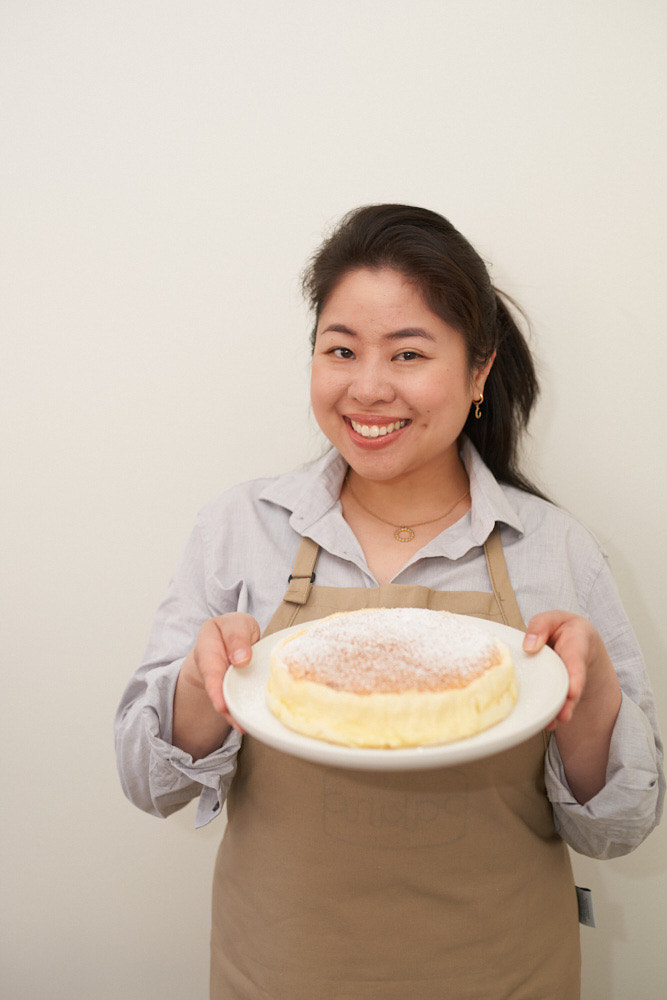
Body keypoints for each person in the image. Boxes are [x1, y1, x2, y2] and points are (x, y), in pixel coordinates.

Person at [115, 204, 663, 1000]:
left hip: (504, 976)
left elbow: (615, 832)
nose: (367, 387)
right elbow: (147, 784)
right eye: (340, 350)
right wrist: (199, 691)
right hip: (279, 974)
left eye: (408, 353)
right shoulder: (239, 529)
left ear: (478, 373)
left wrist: (595, 697)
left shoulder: (554, 549)